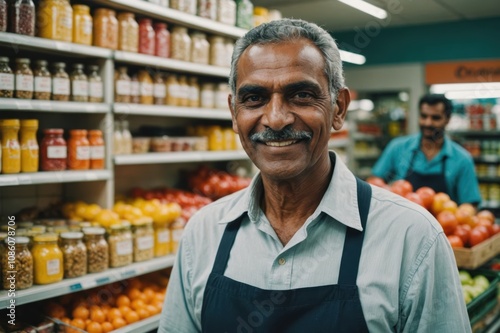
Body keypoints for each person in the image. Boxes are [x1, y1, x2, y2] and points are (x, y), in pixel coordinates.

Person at [159, 19, 471, 332]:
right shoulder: (202, 234)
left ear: (338, 108)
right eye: (254, 98)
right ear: (234, 114)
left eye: (302, 95)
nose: (277, 119)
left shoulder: (413, 238)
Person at [371, 93, 481, 205]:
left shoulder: (462, 159)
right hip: (401, 221)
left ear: (447, 119)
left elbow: (470, 205)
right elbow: (374, 184)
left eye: (435, 118)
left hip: (442, 222)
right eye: (424, 116)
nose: (428, 123)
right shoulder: (398, 147)